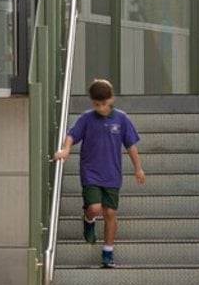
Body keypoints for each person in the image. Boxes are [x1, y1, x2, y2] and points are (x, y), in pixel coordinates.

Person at [53, 78, 145, 269]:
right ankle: (88, 219)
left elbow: (131, 146)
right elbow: (72, 135)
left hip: (112, 174)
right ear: (91, 101)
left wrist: (138, 168)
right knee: (95, 208)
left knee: (110, 212)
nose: (100, 108)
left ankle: (108, 252)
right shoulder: (87, 118)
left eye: (103, 104)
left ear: (111, 99)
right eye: (96, 104)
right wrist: (65, 150)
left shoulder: (121, 119)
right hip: (91, 173)